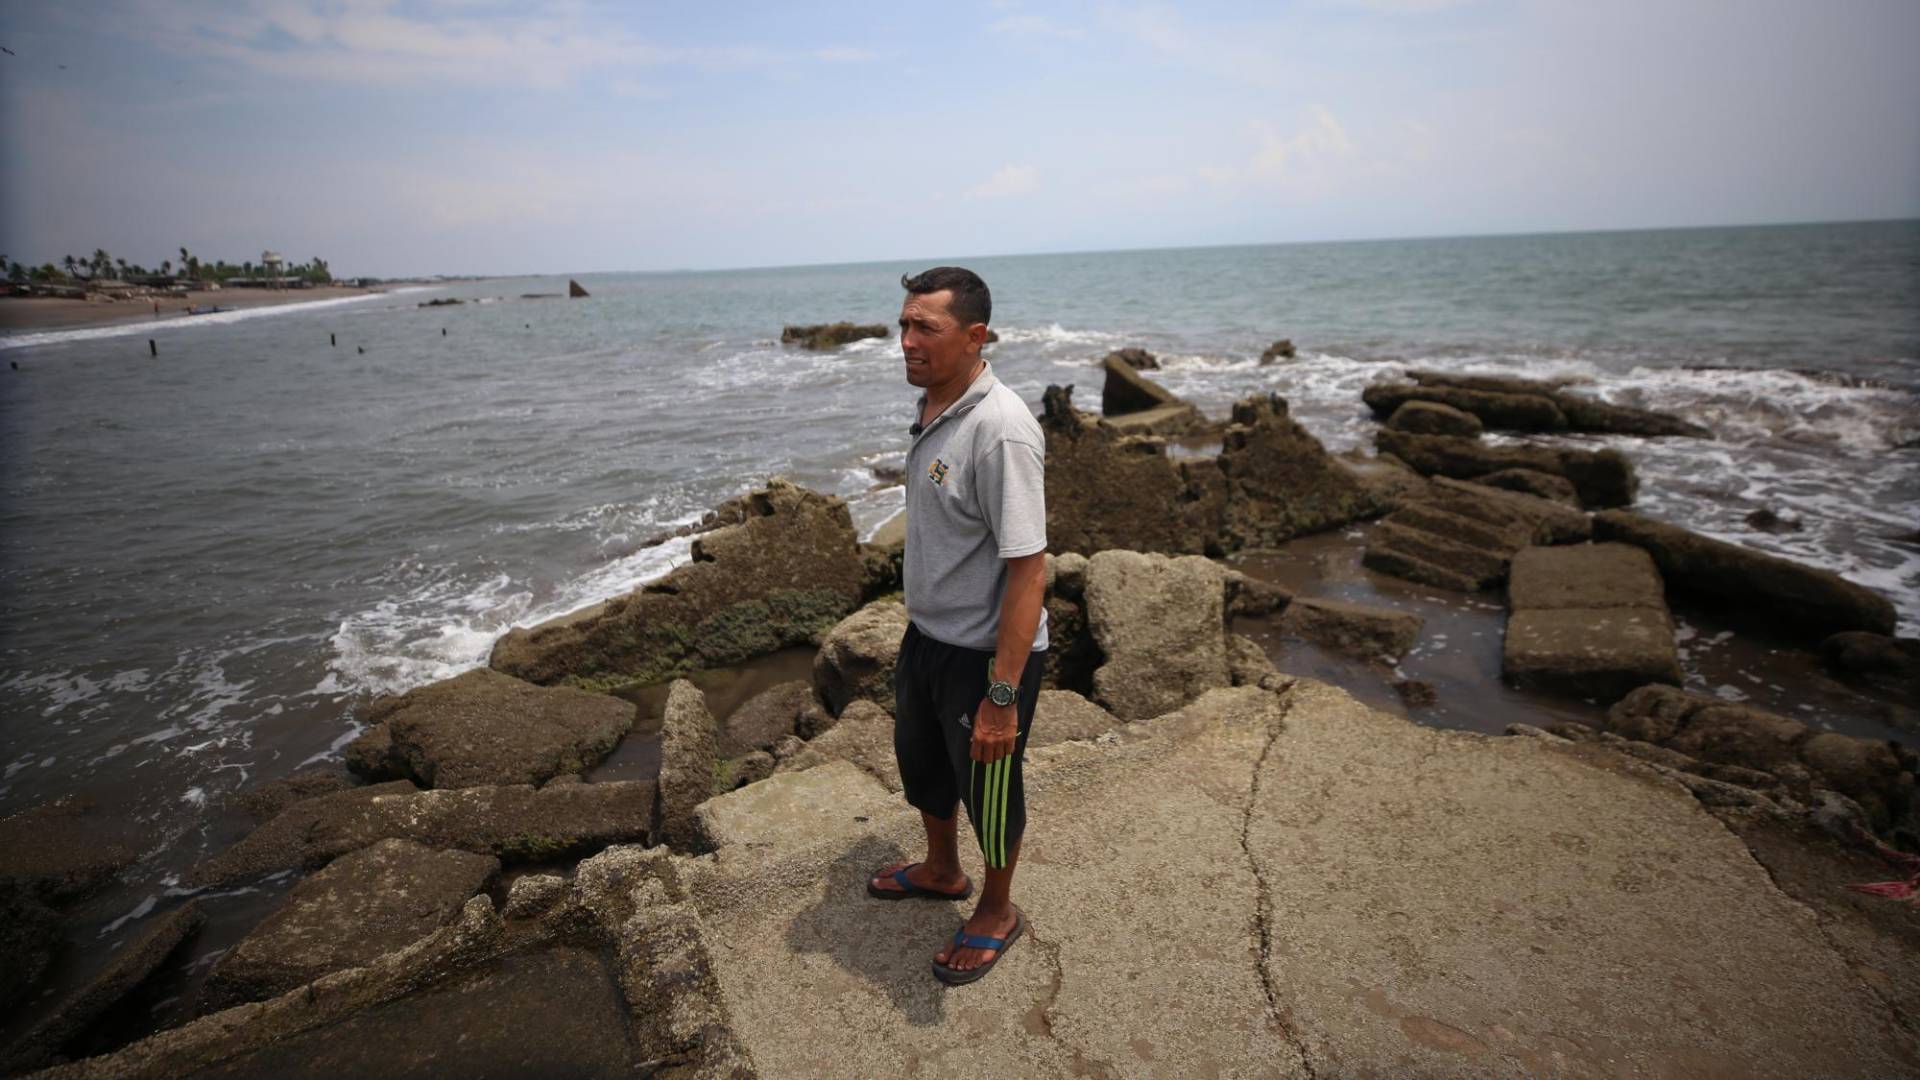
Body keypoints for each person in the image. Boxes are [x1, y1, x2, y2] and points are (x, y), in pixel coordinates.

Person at [866, 266, 1048, 986]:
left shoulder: (1000, 431)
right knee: (924, 764)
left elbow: (1029, 568)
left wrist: (1001, 699)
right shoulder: (936, 403)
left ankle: (998, 912)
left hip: (985, 657)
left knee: (991, 792)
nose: (906, 341)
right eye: (903, 325)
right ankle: (943, 871)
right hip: (930, 638)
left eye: (925, 329)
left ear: (975, 337)